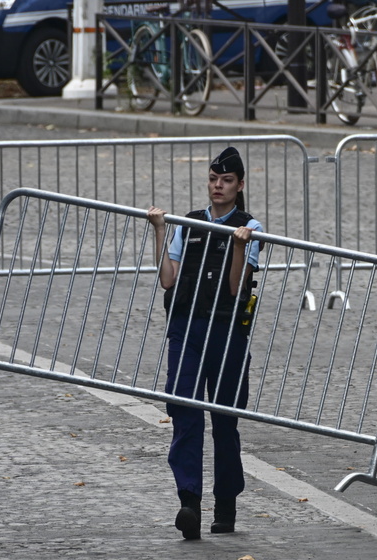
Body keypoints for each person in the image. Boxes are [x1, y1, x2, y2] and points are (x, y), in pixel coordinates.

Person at [147, 146, 263, 539]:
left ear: (240, 185)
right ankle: (189, 503)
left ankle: (226, 506)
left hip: (227, 332)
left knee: (224, 421)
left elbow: (235, 287)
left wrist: (239, 245)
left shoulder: (251, 227)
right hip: (187, 327)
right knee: (184, 412)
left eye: (227, 180)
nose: (218, 186)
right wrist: (160, 230)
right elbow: (167, 279)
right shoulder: (188, 222)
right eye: (213, 179)